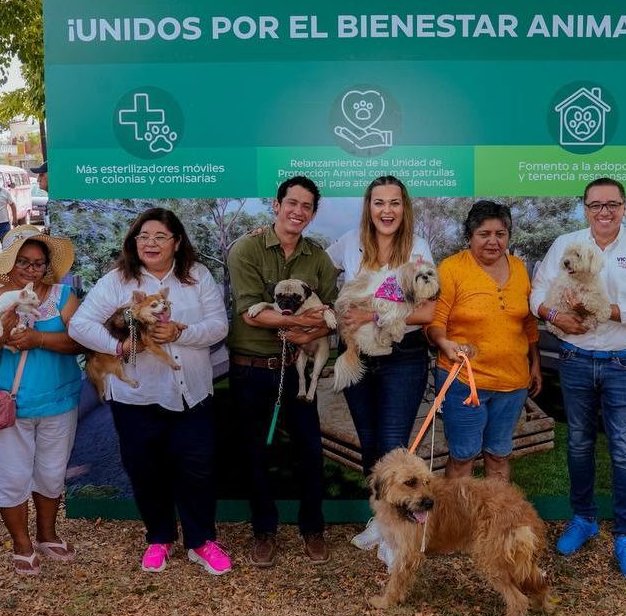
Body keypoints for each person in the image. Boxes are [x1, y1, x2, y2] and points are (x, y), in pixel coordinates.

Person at [69, 208, 232, 575]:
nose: (151, 243)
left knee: (198, 470)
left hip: (192, 394)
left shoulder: (197, 277)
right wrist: (120, 348)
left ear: (176, 242)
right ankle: (158, 538)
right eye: (144, 236)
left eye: (160, 236)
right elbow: (80, 325)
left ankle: (201, 540)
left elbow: (218, 327)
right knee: (145, 470)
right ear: (133, 242)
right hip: (138, 399)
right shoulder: (117, 281)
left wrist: (181, 333)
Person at [529, 177, 626, 580]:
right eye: (595, 205)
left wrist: (602, 310)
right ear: (584, 209)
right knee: (578, 443)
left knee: (624, 450)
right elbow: (537, 294)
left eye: (612, 204)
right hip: (574, 357)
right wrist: (557, 317)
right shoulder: (566, 244)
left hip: (624, 361)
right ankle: (584, 518)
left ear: (625, 207)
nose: (603, 212)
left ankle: (625, 534)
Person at [226, 176, 338, 567]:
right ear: (277, 205)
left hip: (297, 369)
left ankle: (313, 528)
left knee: (309, 452)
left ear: (312, 213)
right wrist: (304, 323)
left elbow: (333, 314)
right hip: (253, 369)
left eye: (307, 206)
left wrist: (314, 327)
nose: (298, 211)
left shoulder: (318, 258)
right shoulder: (247, 249)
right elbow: (250, 312)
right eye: (292, 203)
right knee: (256, 454)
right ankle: (264, 532)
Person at [0, 225, 84, 575]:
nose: (31, 270)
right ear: (9, 264)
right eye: (23, 262)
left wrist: (39, 339)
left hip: (58, 401)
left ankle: (47, 534)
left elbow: (81, 341)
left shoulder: (63, 296)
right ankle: (21, 543)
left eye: (38, 264)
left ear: (47, 267)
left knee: (51, 472)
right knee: (11, 477)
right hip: (5, 406)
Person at [325, 175, 436, 555]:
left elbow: (428, 310)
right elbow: (313, 269)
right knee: (370, 447)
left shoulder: (418, 248)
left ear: (404, 208)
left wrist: (373, 318)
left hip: (402, 357)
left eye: (394, 203)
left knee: (393, 448)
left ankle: (398, 538)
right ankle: (381, 521)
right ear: (368, 207)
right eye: (379, 203)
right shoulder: (349, 244)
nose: (386, 211)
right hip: (360, 356)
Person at [426, 200, 542, 483]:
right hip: (464, 380)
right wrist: (443, 342)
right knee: (463, 456)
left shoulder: (518, 267)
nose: (493, 241)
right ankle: (456, 523)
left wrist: (535, 363)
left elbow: (527, 321)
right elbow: (434, 321)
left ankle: (495, 523)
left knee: (499, 454)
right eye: (484, 234)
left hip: (513, 383)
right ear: (469, 236)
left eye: (500, 234)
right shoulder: (451, 268)